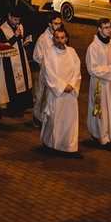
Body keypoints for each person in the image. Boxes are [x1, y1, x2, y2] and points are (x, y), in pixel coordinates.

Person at [40, 27, 83, 159]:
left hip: (70, 94)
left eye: (62, 38)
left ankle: (70, 147)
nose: (60, 41)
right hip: (56, 93)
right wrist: (63, 86)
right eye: (57, 38)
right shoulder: (49, 53)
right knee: (54, 120)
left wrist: (71, 84)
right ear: (53, 39)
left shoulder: (72, 52)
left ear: (66, 39)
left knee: (70, 121)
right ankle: (51, 145)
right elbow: (48, 73)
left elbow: (77, 70)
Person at [85, 18, 111, 152]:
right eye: (106, 27)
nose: (109, 30)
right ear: (99, 29)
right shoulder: (93, 47)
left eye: (110, 27)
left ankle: (99, 134)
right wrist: (110, 68)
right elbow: (92, 68)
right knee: (102, 112)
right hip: (100, 84)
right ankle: (103, 139)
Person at [0, 8, 33, 117]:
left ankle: (22, 106)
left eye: (18, 20)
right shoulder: (2, 29)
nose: (17, 22)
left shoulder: (20, 26)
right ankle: (13, 109)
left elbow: (20, 41)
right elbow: (4, 45)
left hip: (21, 57)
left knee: (24, 82)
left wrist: (26, 42)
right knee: (13, 84)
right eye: (15, 20)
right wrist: (15, 36)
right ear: (9, 17)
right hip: (10, 60)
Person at [32, 13, 63, 127]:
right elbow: (36, 56)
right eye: (55, 24)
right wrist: (48, 62)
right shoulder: (43, 38)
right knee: (42, 96)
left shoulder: (61, 36)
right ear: (50, 24)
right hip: (46, 72)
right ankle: (38, 117)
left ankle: (51, 118)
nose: (58, 26)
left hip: (58, 73)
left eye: (60, 23)